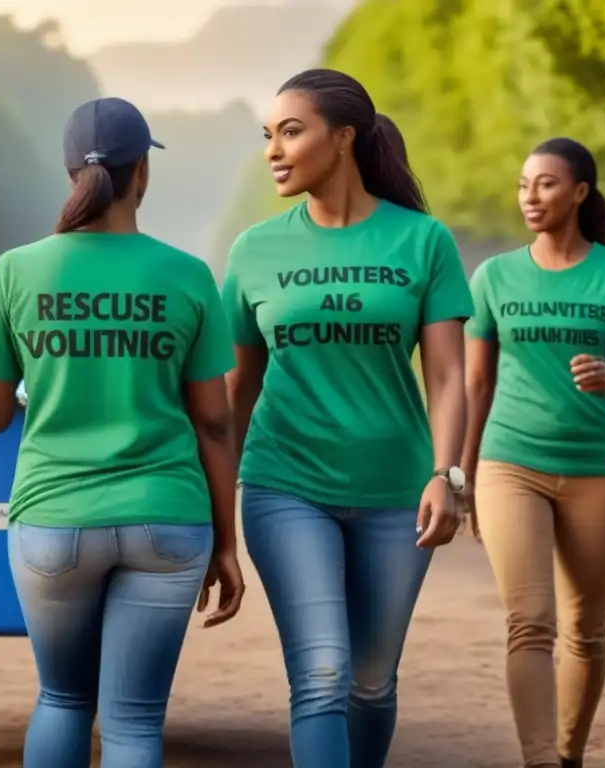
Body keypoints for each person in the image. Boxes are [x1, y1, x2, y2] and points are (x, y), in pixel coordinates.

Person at [0, 97, 245, 768]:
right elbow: (214, 419)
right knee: (135, 724)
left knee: (62, 700)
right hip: (167, 520)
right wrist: (227, 545)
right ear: (141, 171)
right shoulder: (187, 275)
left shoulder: (18, 271)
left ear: (71, 176)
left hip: (54, 520)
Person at [221, 68, 471, 768]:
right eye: (267, 135)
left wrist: (446, 475)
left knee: (369, 681)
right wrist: (214, 507)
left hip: (396, 492)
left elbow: (449, 376)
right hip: (285, 485)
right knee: (323, 675)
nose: (274, 149)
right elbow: (238, 390)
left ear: (345, 138)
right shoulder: (253, 251)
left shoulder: (423, 242)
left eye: (291, 132)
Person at [461, 138, 605, 768]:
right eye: (523, 185)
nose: (530, 197)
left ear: (580, 192)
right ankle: (539, 757)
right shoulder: (494, 277)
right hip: (510, 463)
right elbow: (475, 384)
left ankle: (568, 754)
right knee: (530, 621)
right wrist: (463, 472)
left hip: (599, 468)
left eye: (544, 184)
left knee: (587, 629)